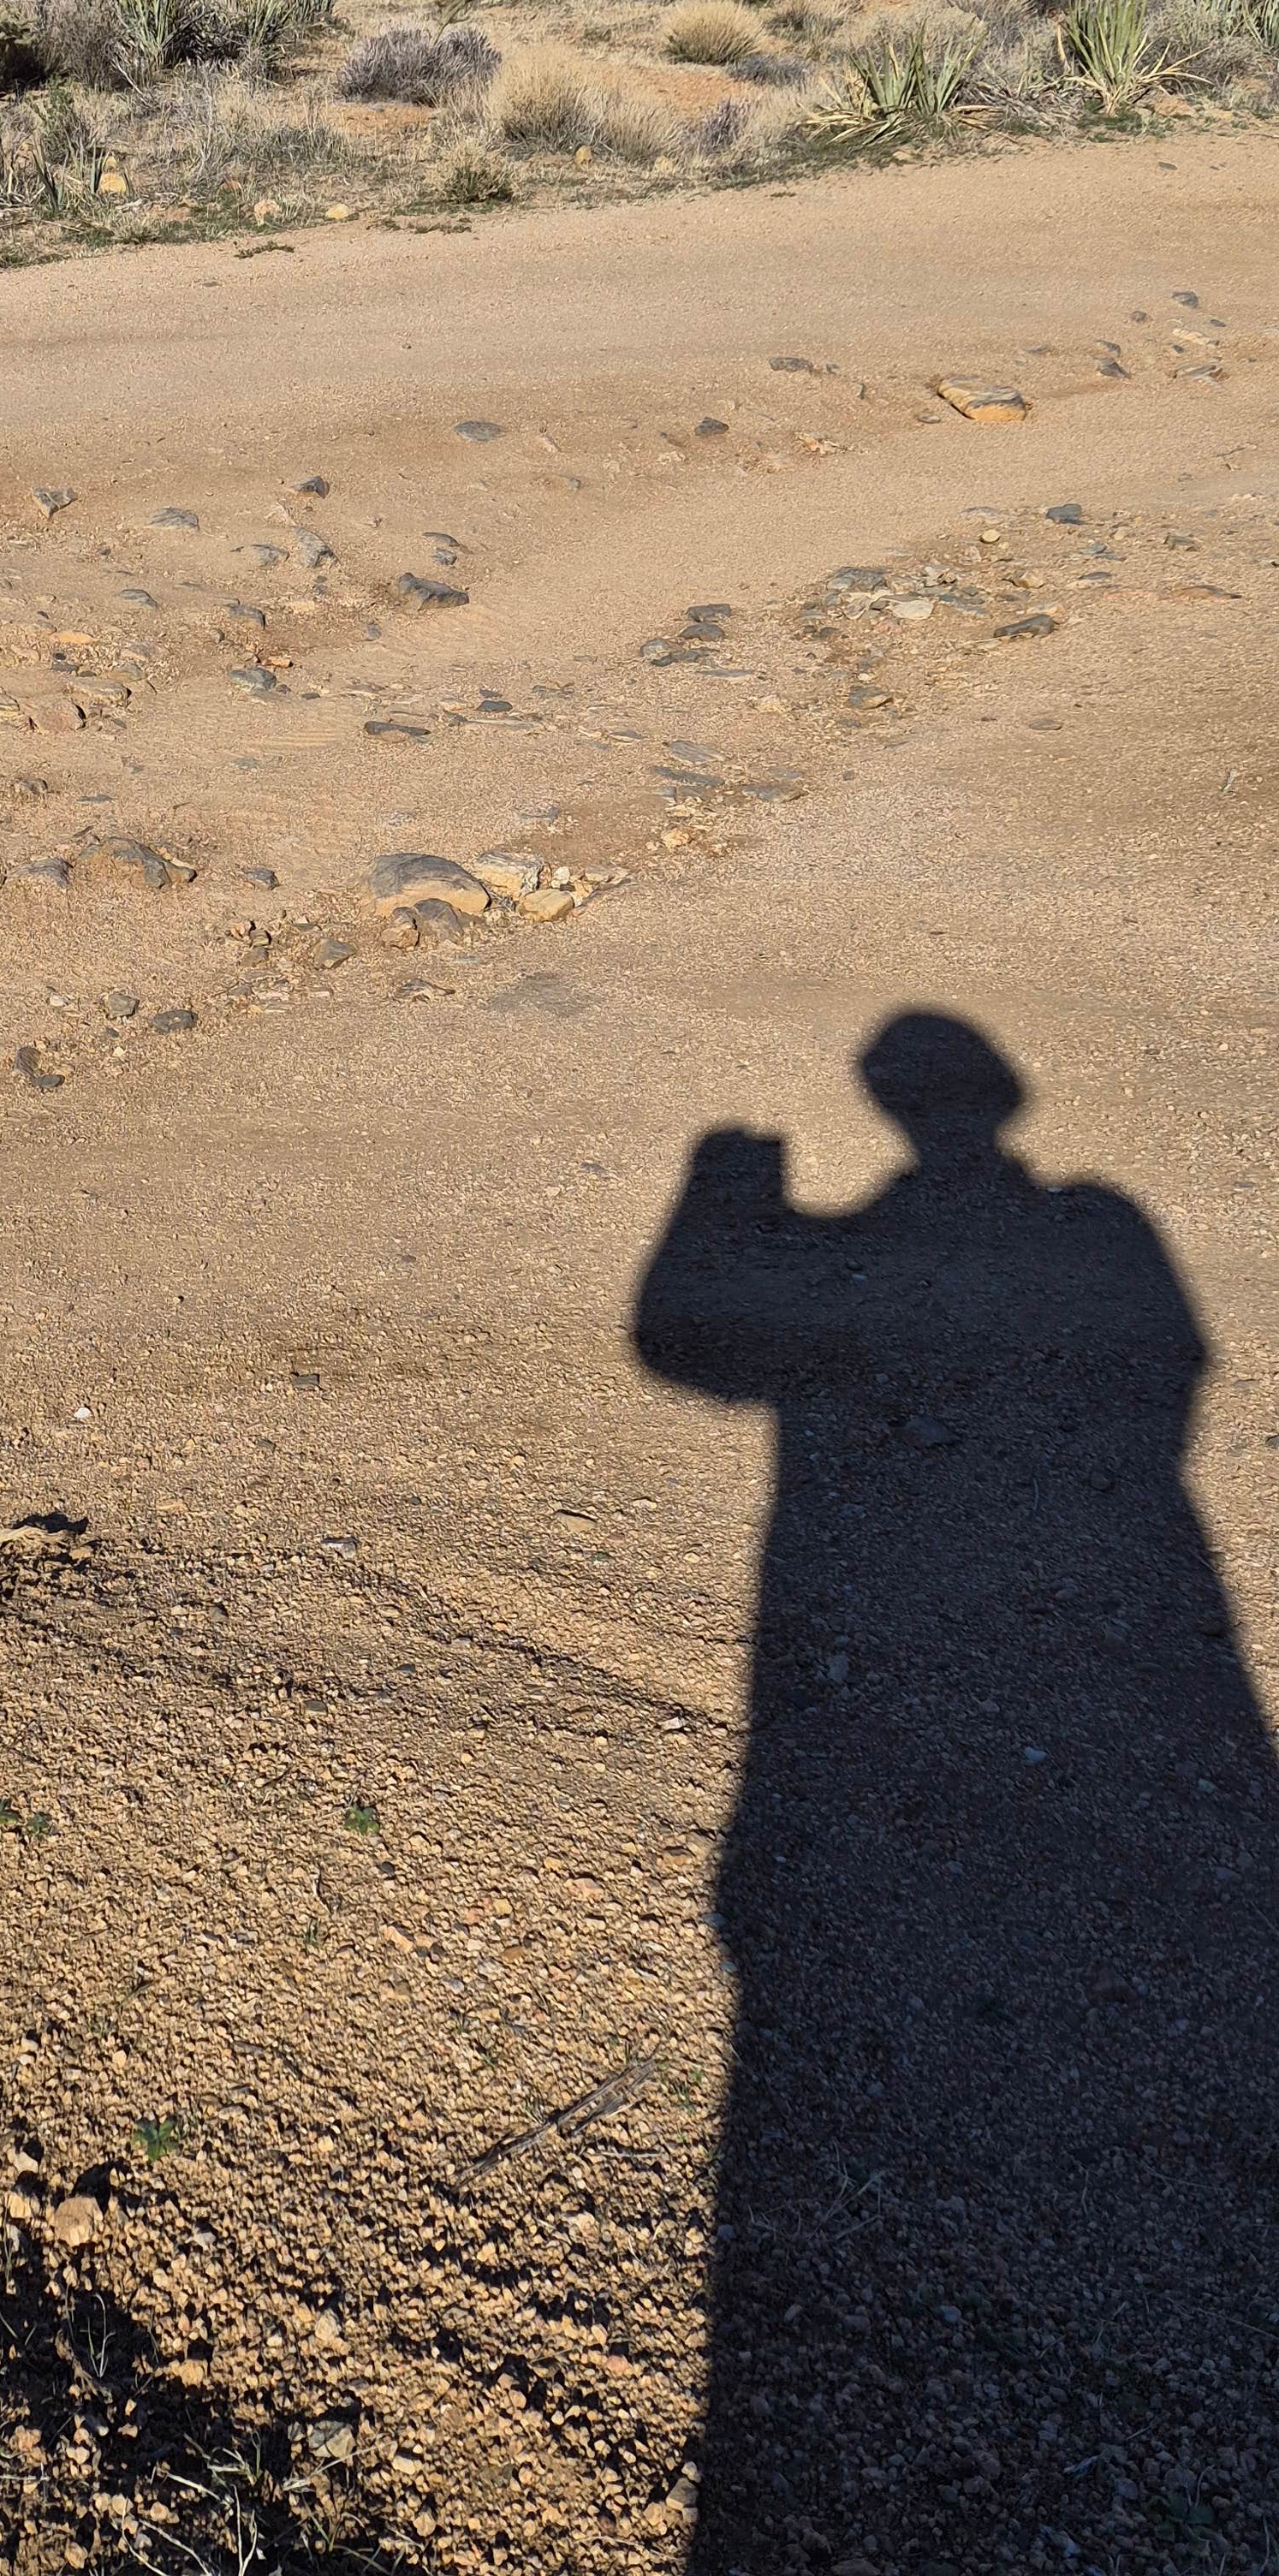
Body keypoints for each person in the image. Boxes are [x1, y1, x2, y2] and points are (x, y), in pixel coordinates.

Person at [634, 1014, 1276, 2569]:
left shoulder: (1044, 1227)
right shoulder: (1098, 1224)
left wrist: (727, 1193)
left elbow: (684, 1345)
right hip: (1147, 1633)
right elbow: (1173, 1376)